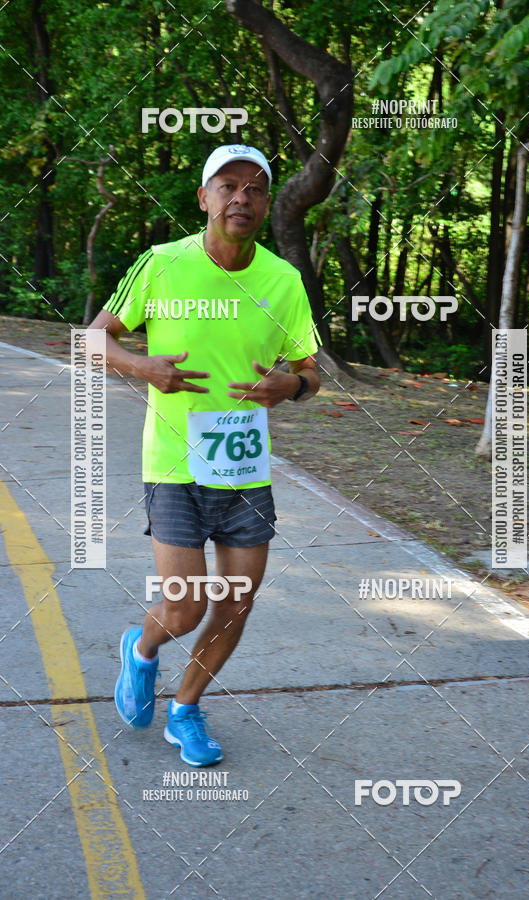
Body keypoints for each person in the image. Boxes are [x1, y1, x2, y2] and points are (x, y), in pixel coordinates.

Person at [88, 144, 321, 766]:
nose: (242, 197)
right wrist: (144, 367)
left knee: (236, 602)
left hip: (244, 468)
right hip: (173, 464)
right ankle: (142, 649)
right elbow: (91, 341)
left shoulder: (283, 280)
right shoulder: (162, 264)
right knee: (186, 606)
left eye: (255, 188)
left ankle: (186, 709)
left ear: (266, 204)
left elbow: (311, 371)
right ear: (204, 198)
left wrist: (291, 386)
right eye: (228, 186)